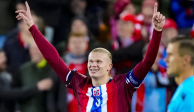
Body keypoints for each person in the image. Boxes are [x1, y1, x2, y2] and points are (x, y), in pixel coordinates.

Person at [16, 2, 165, 112]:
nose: (93, 64)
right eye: (91, 61)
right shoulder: (79, 83)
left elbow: (147, 62)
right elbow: (54, 59)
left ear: (109, 66)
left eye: (99, 61)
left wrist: (157, 32)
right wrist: (32, 28)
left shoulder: (124, 84)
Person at [165, 36, 194, 112]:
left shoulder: (188, 93)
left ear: (185, 60)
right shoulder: (185, 88)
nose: (165, 60)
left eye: (170, 55)